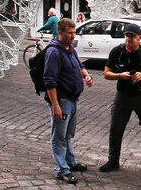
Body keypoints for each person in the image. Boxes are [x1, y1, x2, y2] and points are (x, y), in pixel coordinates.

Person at [99, 23, 141, 178]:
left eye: (132, 36)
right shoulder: (118, 51)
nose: (129, 39)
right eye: (127, 36)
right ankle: (113, 161)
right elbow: (107, 73)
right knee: (116, 130)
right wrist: (121, 75)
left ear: (139, 37)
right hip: (122, 96)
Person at [44, 18, 94, 184]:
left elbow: (80, 65)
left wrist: (86, 75)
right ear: (61, 32)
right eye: (70, 33)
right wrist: (55, 105)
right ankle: (62, 170)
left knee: (67, 134)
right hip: (62, 101)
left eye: (74, 32)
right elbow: (49, 81)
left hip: (72, 100)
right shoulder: (54, 52)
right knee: (59, 137)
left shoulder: (70, 48)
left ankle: (70, 162)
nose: (74, 36)